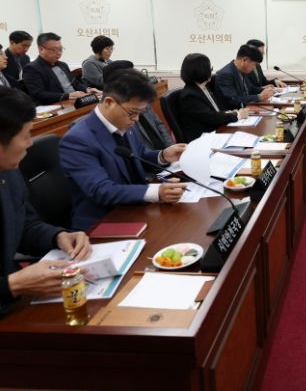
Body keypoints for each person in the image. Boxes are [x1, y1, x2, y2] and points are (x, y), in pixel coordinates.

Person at [59, 69, 187, 231]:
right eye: (133, 113)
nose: (136, 119)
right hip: (103, 222)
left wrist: (163, 155)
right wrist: (156, 192)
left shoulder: (123, 123)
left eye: (140, 113)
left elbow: (138, 156)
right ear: (109, 102)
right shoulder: (77, 140)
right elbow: (101, 190)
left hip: (135, 207)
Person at [0, 88, 91, 313]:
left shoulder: (9, 171)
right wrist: (12, 285)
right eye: (26, 135)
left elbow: (24, 225)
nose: (30, 144)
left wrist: (58, 236)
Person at [102, 61, 173, 152]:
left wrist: (170, 147)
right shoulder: (114, 113)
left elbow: (159, 124)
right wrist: (160, 155)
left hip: (162, 153)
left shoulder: (139, 98)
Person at [23, 32, 99, 104]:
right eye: (54, 50)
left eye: (60, 49)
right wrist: (68, 96)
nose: (58, 53)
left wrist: (87, 89)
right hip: (57, 105)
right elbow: (38, 94)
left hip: (76, 101)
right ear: (41, 49)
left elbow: (75, 83)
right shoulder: (32, 68)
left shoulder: (63, 65)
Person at [179, 53, 239, 142]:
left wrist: (230, 112)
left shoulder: (204, 87)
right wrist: (237, 115)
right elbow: (212, 117)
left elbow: (215, 111)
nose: (211, 71)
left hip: (216, 131)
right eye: (209, 69)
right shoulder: (189, 95)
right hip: (203, 138)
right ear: (201, 71)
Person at [215, 44, 274, 109]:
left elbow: (251, 89)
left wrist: (266, 90)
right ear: (244, 60)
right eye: (254, 64)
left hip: (246, 109)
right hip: (234, 112)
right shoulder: (226, 74)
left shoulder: (242, 70)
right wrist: (258, 97)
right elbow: (234, 99)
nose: (254, 68)